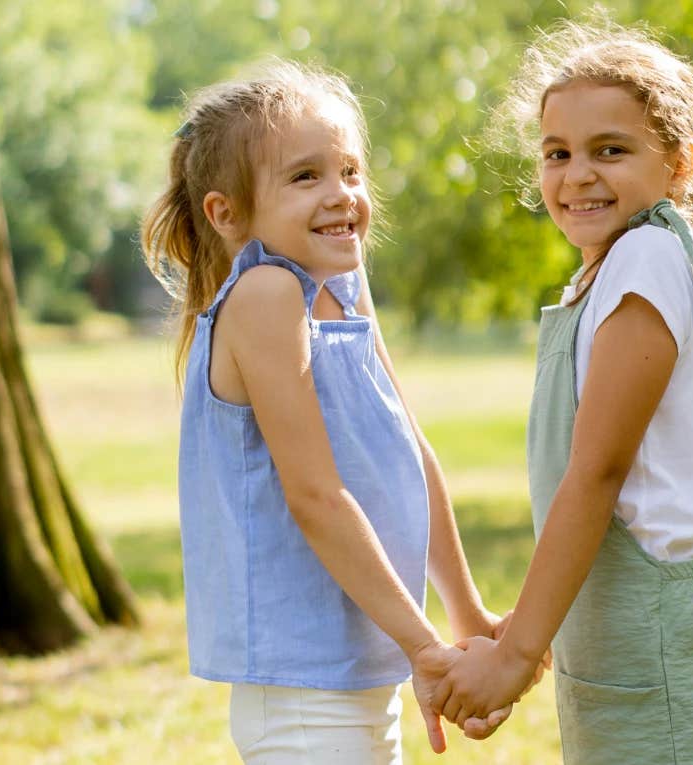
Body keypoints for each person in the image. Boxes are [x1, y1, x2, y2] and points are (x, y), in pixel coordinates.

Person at [432, 20, 693, 763]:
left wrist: (514, 654)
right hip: (624, 661)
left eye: (611, 150)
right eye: (557, 154)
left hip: (666, 669)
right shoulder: (608, 270)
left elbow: (597, 473)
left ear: (679, 164)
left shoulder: (649, 257)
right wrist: (532, 636)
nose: (577, 174)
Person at [140, 60, 511, 763]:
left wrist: (465, 613)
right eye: (306, 176)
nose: (342, 195)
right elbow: (315, 496)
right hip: (302, 694)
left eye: (350, 171)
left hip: (360, 675)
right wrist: (424, 647)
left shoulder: (340, 282)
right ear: (227, 212)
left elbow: (408, 446)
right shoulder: (265, 296)